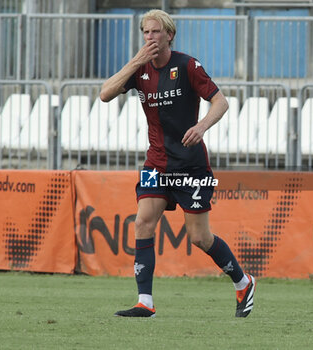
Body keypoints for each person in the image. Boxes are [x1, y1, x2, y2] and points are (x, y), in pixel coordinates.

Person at [100, 9, 256, 318]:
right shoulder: (139, 69)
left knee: (199, 237)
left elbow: (221, 102)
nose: (150, 37)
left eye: (156, 32)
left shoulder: (187, 65)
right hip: (156, 164)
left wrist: (201, 127)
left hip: (191, 166)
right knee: (143, 221)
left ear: (169, 35)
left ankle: (243, 281)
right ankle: (145, 301)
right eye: (146, 32)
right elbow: (105, 94)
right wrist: (134, 61)